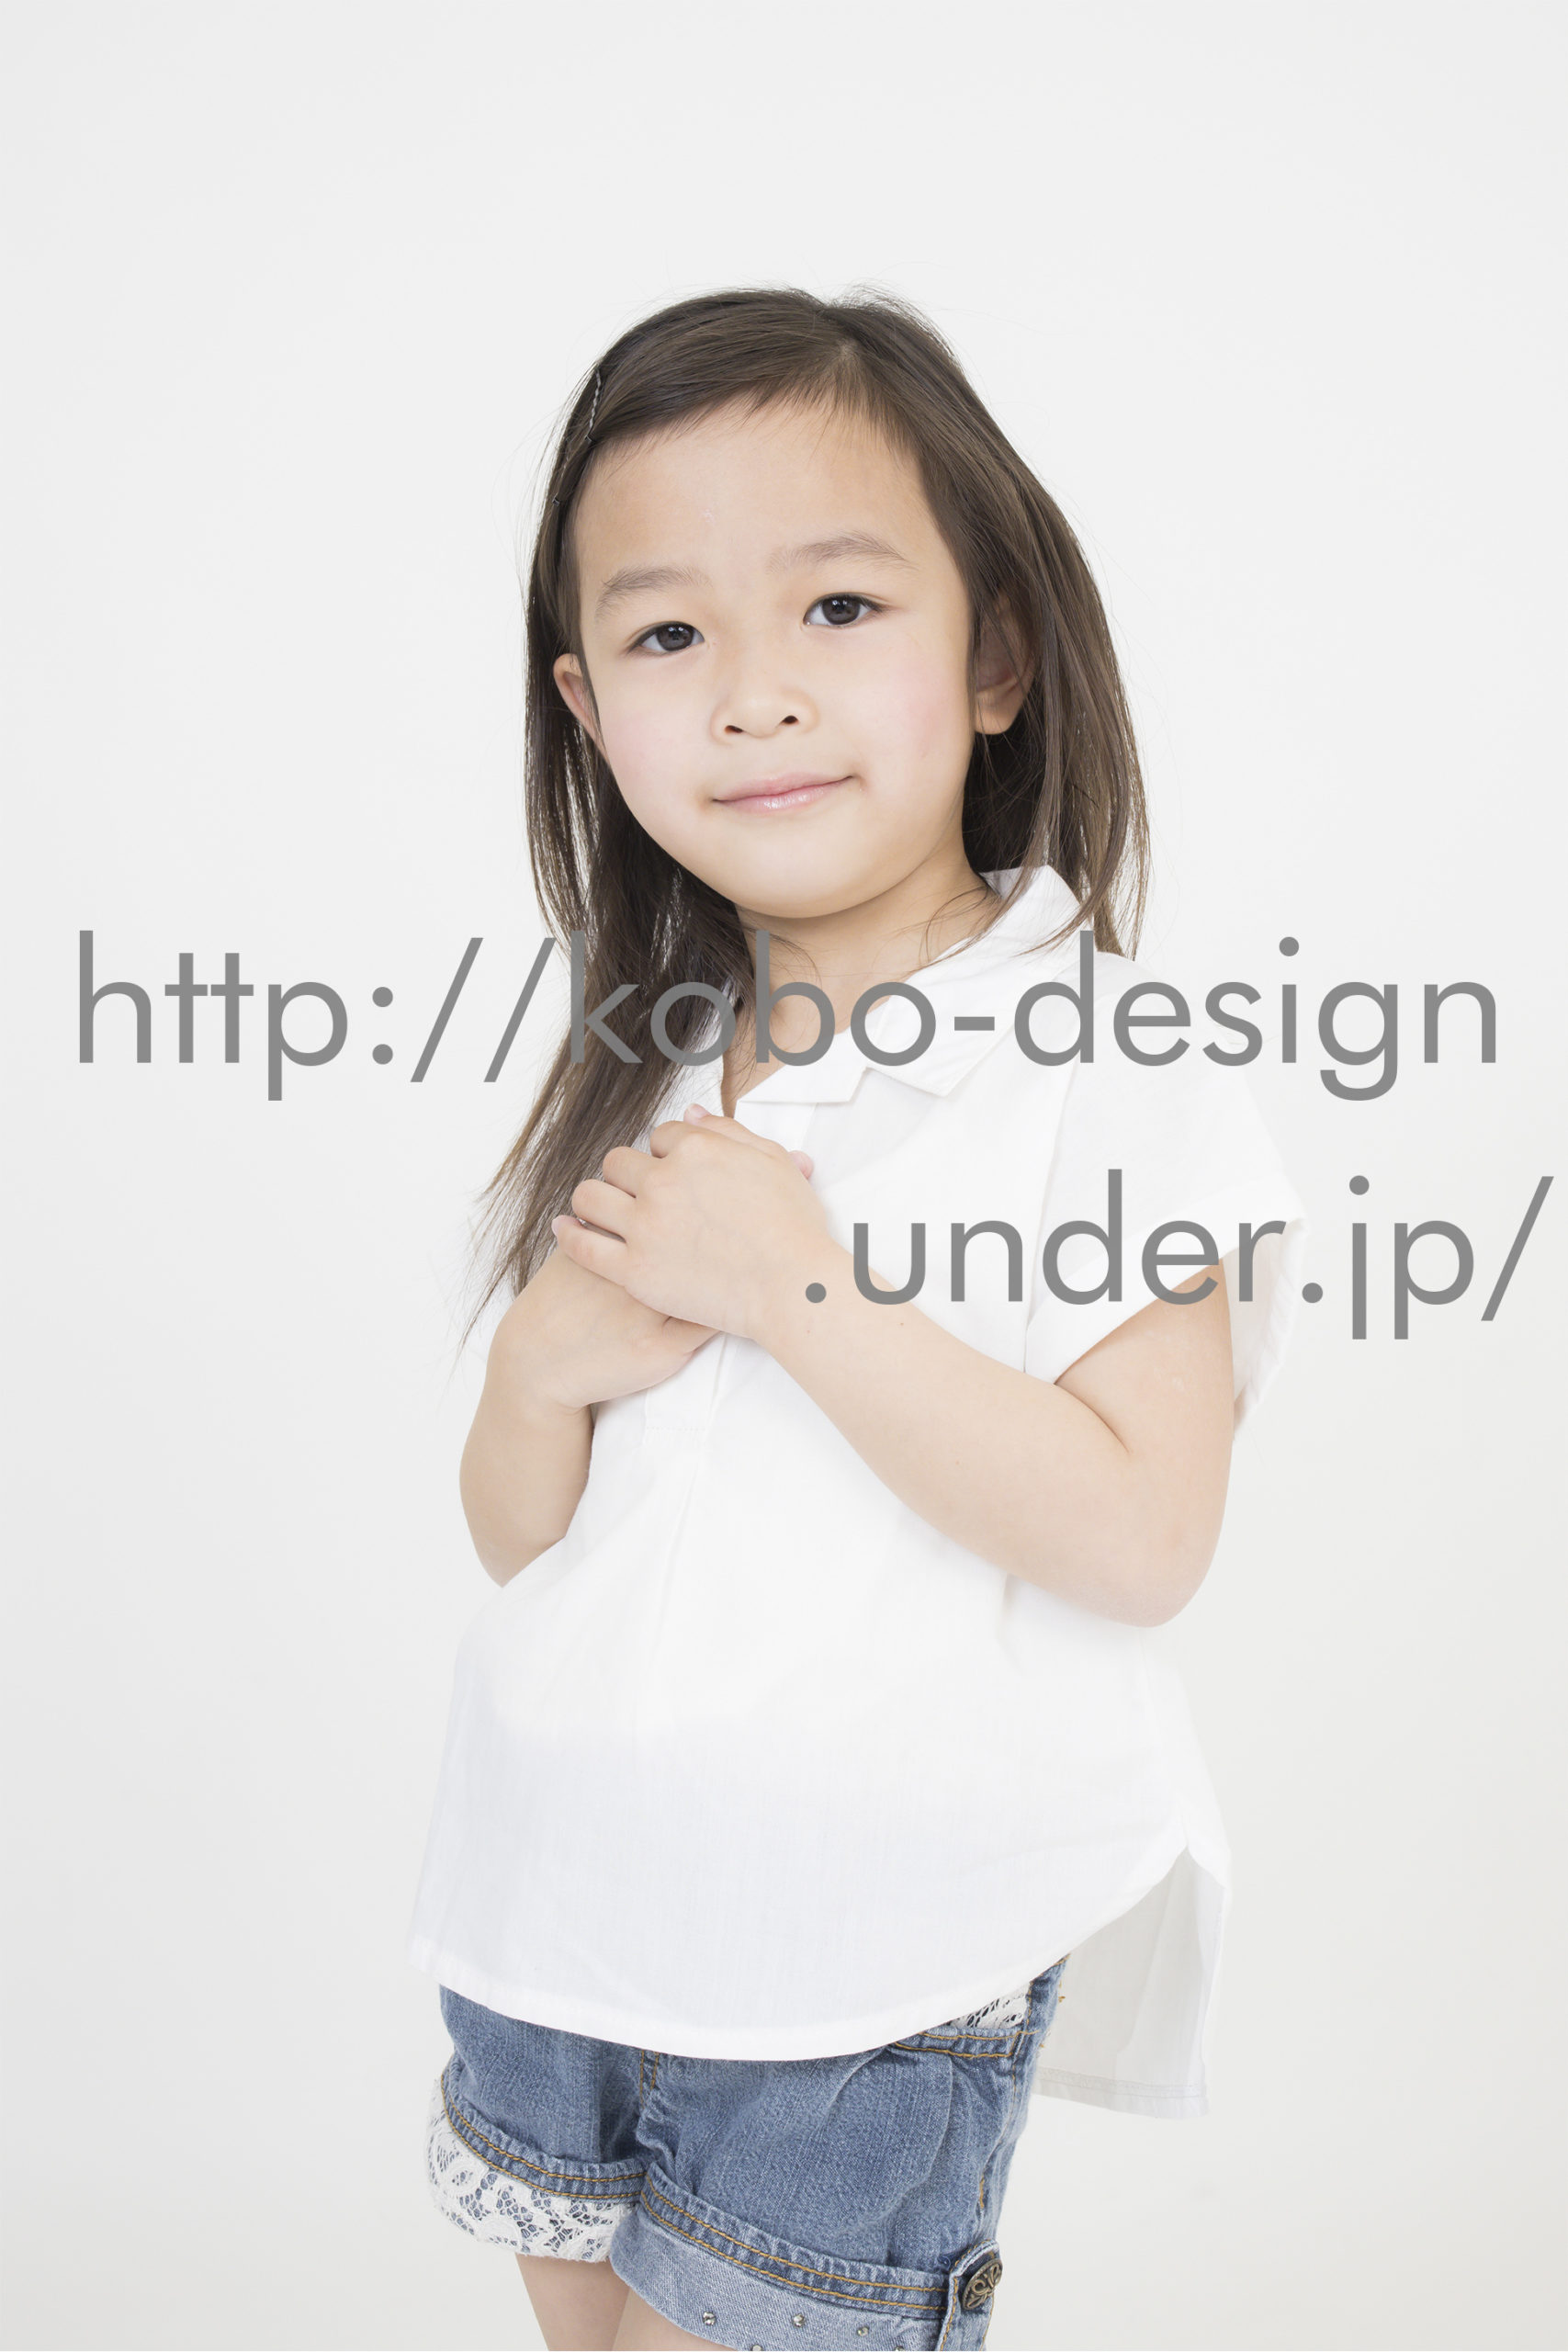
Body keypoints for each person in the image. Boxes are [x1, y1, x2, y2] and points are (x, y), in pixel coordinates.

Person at [408, 288, 1307, 2352]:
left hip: (860, 1949)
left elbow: (1141, 1533)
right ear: (586, 710)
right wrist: (536, 1367)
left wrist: (800, 1293)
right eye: (667, 636)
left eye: (835, 607)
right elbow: (538, 1542)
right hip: (567, 1900)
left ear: (994, 655)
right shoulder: (660, 1061)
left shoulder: (1109, 1062)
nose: (753, 696)